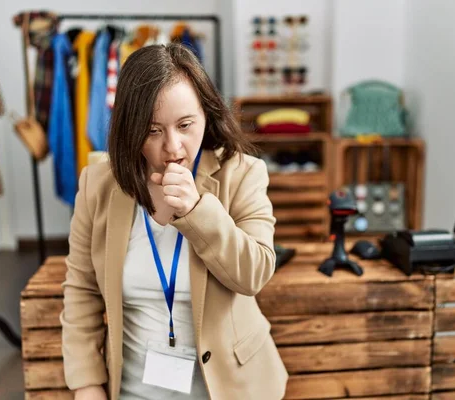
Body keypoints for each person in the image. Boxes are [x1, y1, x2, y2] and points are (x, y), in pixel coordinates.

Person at [60, 43, 288, 400]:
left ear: (206, 114)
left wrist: (197, 210)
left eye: (185, 125)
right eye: (153, 131)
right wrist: (87, 384)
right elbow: (81, 290)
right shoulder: (97, 184)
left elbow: (255, 273)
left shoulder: (243, 173)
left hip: (230, 389)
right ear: (130, 130)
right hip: (133, 390)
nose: (173, 147)